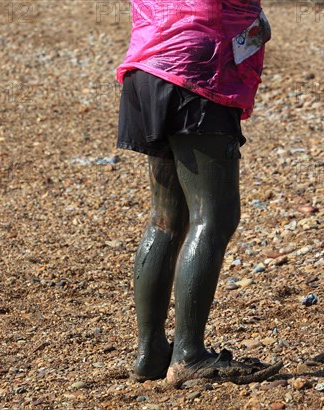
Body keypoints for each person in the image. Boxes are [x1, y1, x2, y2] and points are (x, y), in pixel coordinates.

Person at [115, 0, 281, 388]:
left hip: (146, 70)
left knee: (166, 219)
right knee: (214, 217)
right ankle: (188, 355)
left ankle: (151, 352)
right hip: (198, 74)